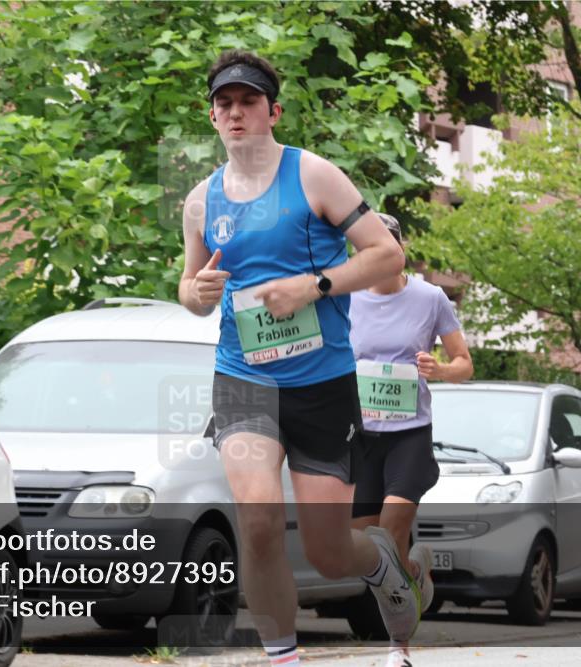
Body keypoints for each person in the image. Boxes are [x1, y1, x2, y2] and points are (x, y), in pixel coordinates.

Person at [178, 49, 420, 667]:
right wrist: (196, 294)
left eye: (248, 102)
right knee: (257, 518)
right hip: (242, 379)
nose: (235, 113)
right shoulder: (201, 202)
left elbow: (386, 257)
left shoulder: (313, 175)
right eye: (224, 104)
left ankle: (383, 560)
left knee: (329, 552)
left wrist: (313, 287)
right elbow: (191, 289)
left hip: (321, 383)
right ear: (213, 118)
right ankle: (281, 655)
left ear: (272, 111)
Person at [348, 213, 474, 667]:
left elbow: (465, 362)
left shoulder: (429, 297)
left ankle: (397, 647)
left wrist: (440, 370)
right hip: (361, 435)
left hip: (409, 434)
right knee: (365, 544)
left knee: (390, 528)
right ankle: (415, 574)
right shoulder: (346, 299)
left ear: (399, 251)